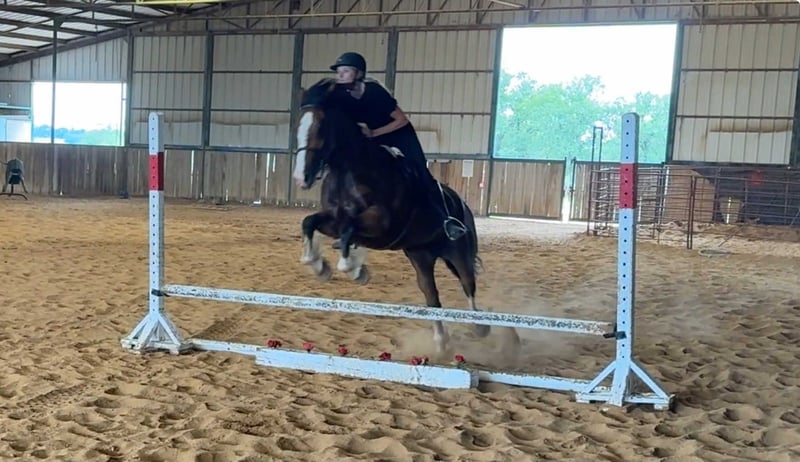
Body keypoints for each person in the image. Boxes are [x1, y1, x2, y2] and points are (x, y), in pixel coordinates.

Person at [327, 51, 467, 246]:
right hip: (373, 137)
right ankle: (356, 225)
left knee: (421, 174)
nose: (340, 75)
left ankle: (447, 220)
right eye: (339, 72)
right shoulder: (344, 96)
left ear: (358, 74)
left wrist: (374, 133)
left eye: (345, 71)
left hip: (400, 135)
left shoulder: (374, 92)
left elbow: (401, 120)